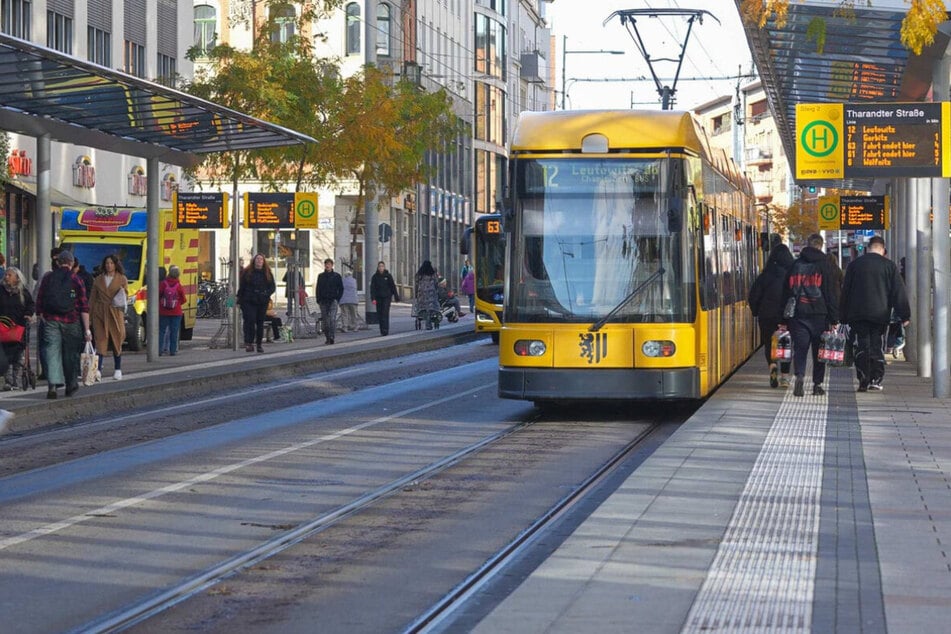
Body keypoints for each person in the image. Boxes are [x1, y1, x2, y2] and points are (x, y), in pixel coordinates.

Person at [840, 235, 911, 392]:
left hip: (857, 314)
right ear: (883, 249)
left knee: (861, 345)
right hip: (880, 314)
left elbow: (846, 291)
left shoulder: (854, 265)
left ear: (868, 248)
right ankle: (876, 379)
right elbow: (898, 292)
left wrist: (842, 315)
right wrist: (904, 315)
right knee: (877, 345)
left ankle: (863, 378)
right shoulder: (889, 266)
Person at [782, 233, 839, 398]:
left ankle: (799, 376)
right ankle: (817, 384)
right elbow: (830, 293)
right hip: (820, 315)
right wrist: (834, 318)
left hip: (798, 315)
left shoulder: (795, 265)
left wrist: (783, 318)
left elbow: (785, 292)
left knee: (800, 349)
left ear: (808, 244)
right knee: (818, 352)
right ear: (820, 246)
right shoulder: (826, 266)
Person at [35, 249, 91, 399]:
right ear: (72, 263)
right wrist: (87, 330)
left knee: (52, 352)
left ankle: (52, 386)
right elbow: (84, 306)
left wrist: (41, 315)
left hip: (51, 320)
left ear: (58, 262)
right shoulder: (76, 279)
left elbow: (40, 300)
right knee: (70, 354)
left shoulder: (48, 278)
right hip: (71, 321)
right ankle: (71, 384)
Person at [748, 238, 794, 388]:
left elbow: (753, 295)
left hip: (766, 315)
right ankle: (785, 377)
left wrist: (757, 311)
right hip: (786, 317)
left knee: (770, 344)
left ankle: (772, 366)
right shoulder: (791, 275)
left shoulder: (765, 275)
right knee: (785, 345)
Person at [89, 254, 129, 380]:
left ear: (115, 264)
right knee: (100, 340)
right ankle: (98, 369)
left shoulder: (122, 279)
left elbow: (125, 297)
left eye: (111, 263)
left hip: (115, 312)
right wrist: (89, 317)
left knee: (117, 339)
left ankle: (118, 369)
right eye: (107, 263)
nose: (109, 265)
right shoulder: (98, 280)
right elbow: (92, 299)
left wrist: (122, 294)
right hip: (100, 312)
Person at [0, 267, 35, 391]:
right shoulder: (1, 290)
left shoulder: (23, 292)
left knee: (17, 354)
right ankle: (9, 381)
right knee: (4, 354)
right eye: (6, 275)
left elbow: (31, 304)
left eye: (9, 275)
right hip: (3, 326)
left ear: (17, 278)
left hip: (18, 327)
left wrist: (29, 314)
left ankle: (15, 379)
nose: (6, 277)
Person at [237, 254, 276, 353]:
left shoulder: (267, 273)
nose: (259, 261)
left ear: (263, 262)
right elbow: (242, 286)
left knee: (260, 322)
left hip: (261, 301)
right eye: (257, 259)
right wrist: (239, 299)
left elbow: (272, 287)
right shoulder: (247, 272)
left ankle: (259, 344)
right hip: (249, 300)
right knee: (249, 320)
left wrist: (266, 293)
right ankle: (249, 343)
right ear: (254, 261)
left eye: (261, 259)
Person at [158, 264, 187, 356]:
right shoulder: (178, 285)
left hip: (163, 311)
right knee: (174, 332)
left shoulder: (163, 284)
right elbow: (184, 299)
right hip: (176, 312)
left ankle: (159, 350)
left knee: (161, 331)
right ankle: (172, 351)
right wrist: (177, 304)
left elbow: (158, 295)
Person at [315, 258, 343, 344]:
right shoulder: (321, 276)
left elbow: (341, 288)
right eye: (326, 264)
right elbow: (318, 288)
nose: (328, 266)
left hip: (333, 300)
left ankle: (332, 336)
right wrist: (318, 299)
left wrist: (337, 299)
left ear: (332, 265)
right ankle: (327, 337)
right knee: (325, 321)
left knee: (332, 319)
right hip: (323, 301)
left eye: (329, 264)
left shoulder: (336, 276)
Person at [370, 261, 400, 336]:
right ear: (378, 267)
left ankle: (385, 330)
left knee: (385, 313)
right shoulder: (375, 277)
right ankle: (382, 329)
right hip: (378, 298)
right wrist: (373, 298)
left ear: (384, 267)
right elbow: (372, 288)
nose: (381, 268)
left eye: (382, 266)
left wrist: (396, 296)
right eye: (379, 266)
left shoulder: (388, 276)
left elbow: (392, 286)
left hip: (386, 297)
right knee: (380, 314)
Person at [415, 260, 440, 330]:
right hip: (431, 295)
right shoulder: (432, 273)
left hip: (422, 294)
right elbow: (436, 282)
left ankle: (423, 319)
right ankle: (429, 324)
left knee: (423, 309)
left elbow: (416, 282)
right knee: (430, 309)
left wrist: (417, 292)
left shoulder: (419, 274)